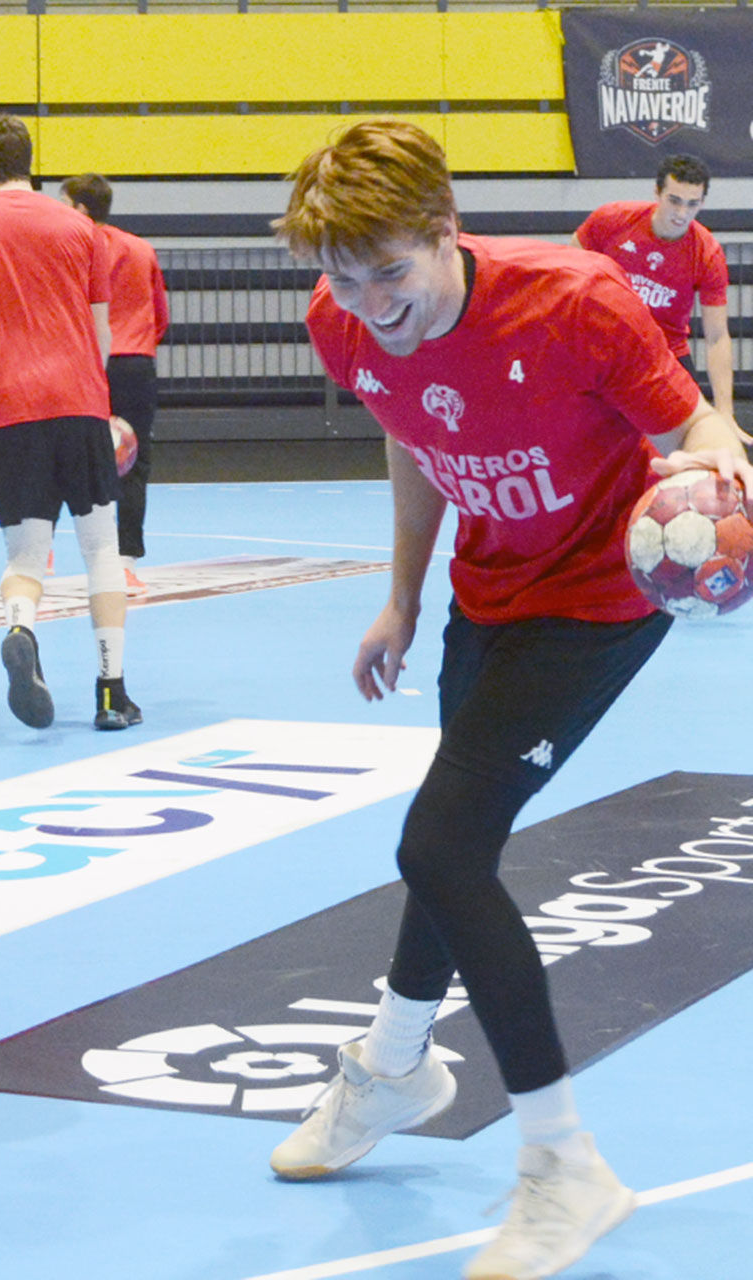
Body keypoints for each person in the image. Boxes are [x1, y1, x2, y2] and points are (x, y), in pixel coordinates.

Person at [267, 120, 748, 1280]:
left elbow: (694, 421)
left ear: (444, 232)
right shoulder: (345, 325)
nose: (370, 301)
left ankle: (563, 1161)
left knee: (438, 843)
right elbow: (412, 437)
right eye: (341, 277)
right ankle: (392, 1068)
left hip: (597, 604)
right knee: (455, 844)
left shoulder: (572, 301)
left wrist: (727, 467)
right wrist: (399, 595)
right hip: (488, 587)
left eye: (389, 270)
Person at [0, 114, 139, 732]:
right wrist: (90, 393)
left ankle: (21, 627)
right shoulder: (81, 228)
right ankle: (111, 693)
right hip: (77, 403)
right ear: (29, 161)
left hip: (5, 409)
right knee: (102, 550)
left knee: (26, 556)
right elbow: (102, 333)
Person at [61, 171, 169, 593]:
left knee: (69, 452)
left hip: (87, 361)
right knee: (133, 460)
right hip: (135, 364)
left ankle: (44, 548)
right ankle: (125, 562)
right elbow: (160, 313)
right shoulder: (141, 249)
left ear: (82, 210)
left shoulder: (74, 249)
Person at [574, 154, 733, 426]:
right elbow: (571, 276)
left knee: (696, 434)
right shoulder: (612, 220)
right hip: (607, 346)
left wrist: (726, 413)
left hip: (667, 353)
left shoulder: (706, 253)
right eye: (674, 201)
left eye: (692, 204)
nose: (682, 214)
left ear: (702, 203)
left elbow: (717, 337)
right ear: (657, 192)